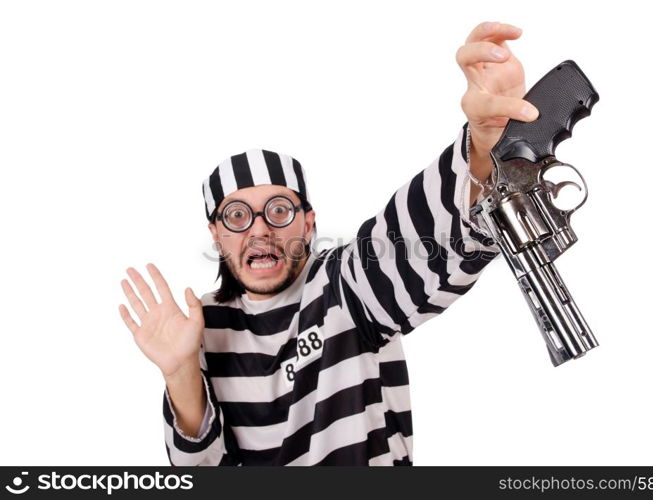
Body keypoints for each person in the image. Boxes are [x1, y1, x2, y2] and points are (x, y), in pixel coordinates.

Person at [118, 20, 540, 466]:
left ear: (307, 223)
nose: (259, 230)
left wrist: (484, 142)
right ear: (216, 234)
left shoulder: (343, 287)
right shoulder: (201, 327)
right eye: (237, 216)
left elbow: (417, 237)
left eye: (278, 210)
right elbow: (200, 469)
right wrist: (179, 369)